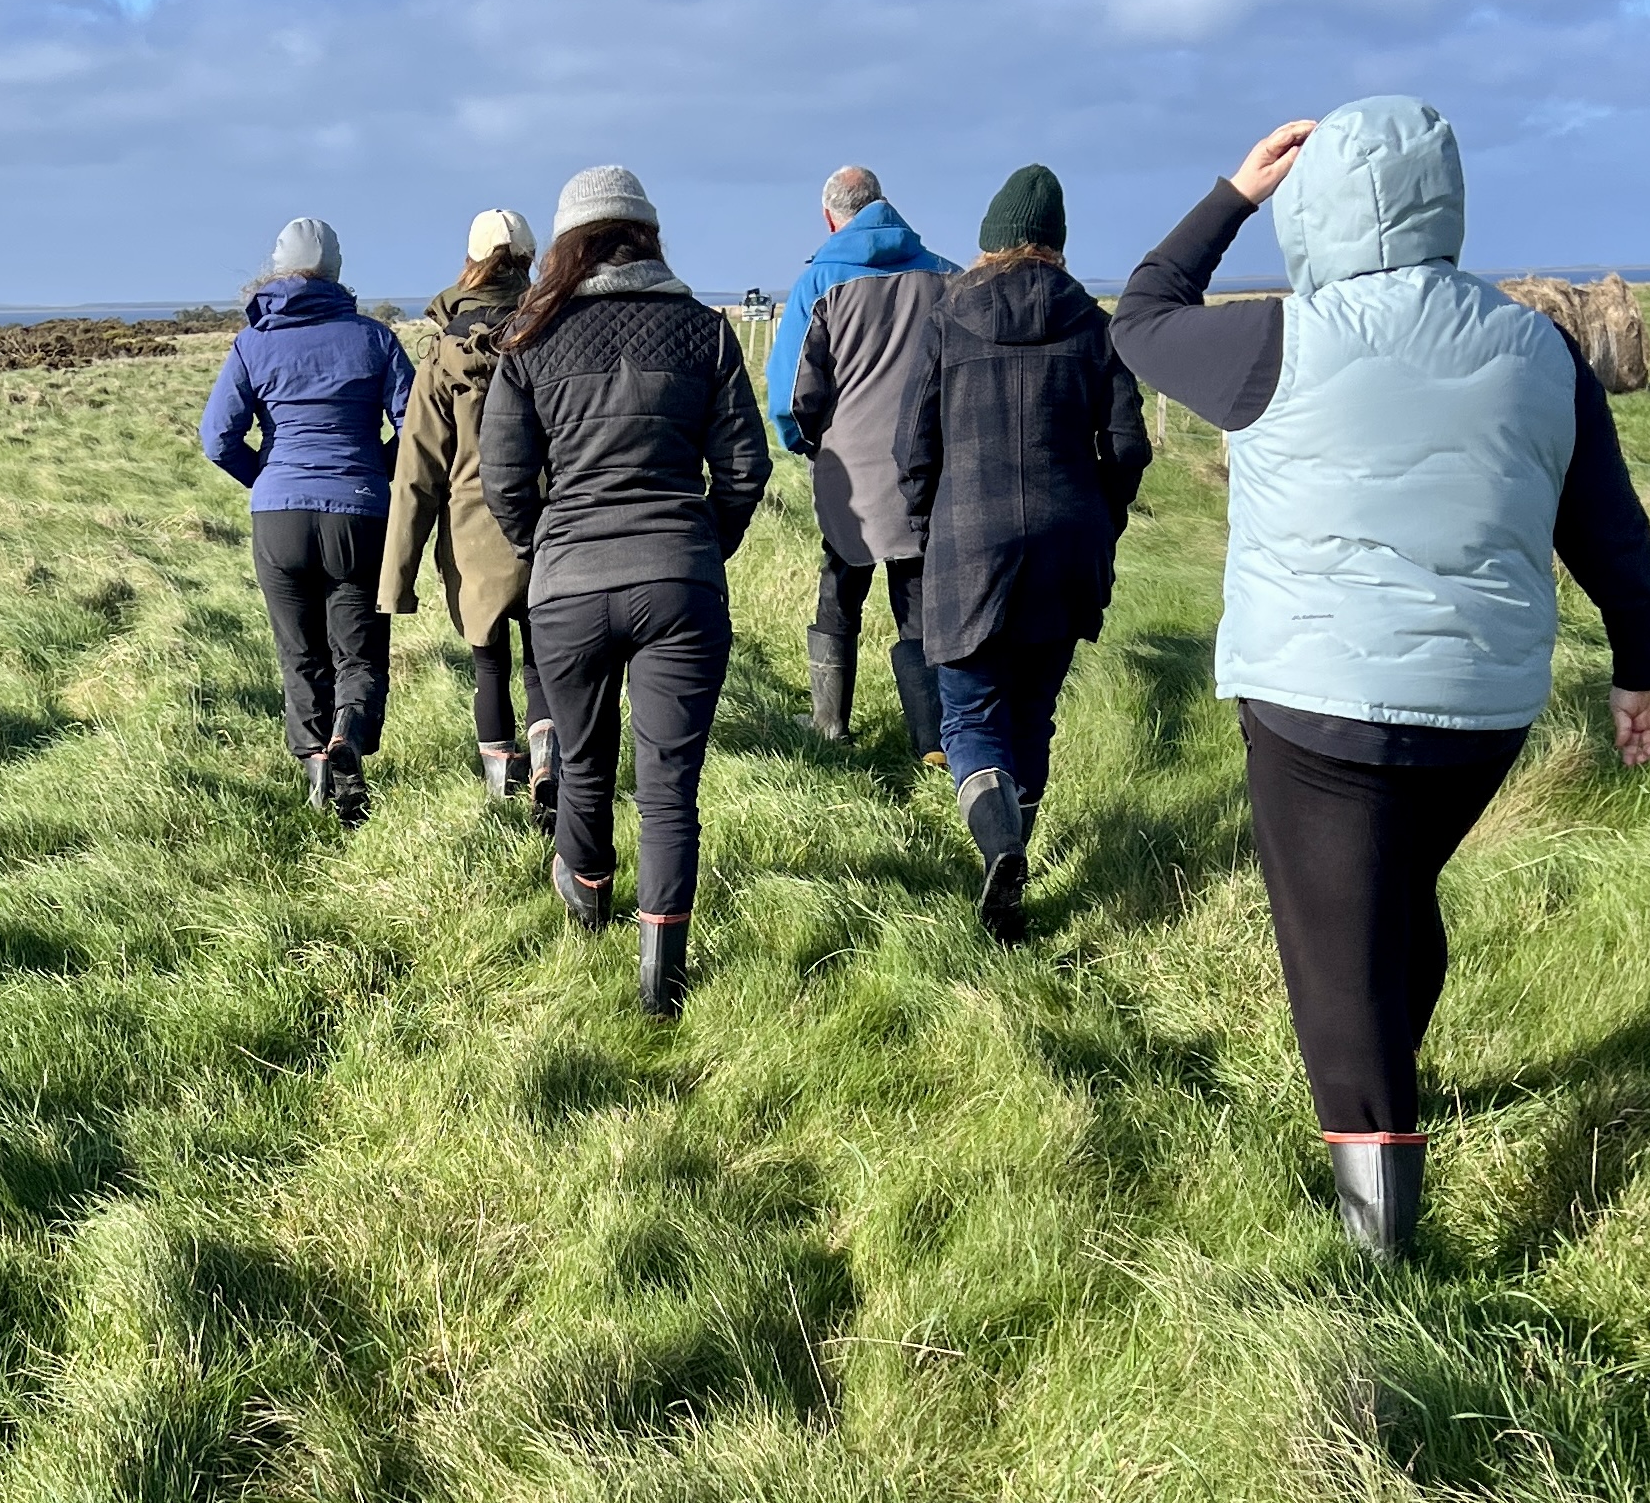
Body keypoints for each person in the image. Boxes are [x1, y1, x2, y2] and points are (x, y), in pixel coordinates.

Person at [1112, 96, 1650, 1257]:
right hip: (1485, 711)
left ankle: (1383, 1271)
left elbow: (1141, 314)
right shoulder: (1542, 350)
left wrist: (1234, 192)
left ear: (1313, 209)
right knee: (1388, 903)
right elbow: (1611, 530)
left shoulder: (1274, 339)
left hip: (1313, 706)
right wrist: (1641, 672)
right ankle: (1394, 1091)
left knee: (1337, 975)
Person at [480, 162, 771, 1017]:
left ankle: (589, 903)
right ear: (646, 235)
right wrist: (701, 546)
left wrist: (547, 548)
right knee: (670, 782)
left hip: (568, 583)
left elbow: (503, 477)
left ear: (566, 244)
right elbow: (746, 467)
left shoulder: (529, 338)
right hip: (679, 579)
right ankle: (660, 978)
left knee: (581, 759)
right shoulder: (704, 331)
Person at [895, 161, 1151, 945]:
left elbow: (914, 447)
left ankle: (1000, 848)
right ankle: (1013, 858)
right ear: (1058, 244)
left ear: (990, 242)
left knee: (970, 711)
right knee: (1033, 712)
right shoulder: (1094, 323)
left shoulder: (947, 315)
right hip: (1068, 546)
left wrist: (925, 524)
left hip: (968, 541)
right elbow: (1131, 445)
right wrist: (1101, 517)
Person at [198, 217, 412, 825]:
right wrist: (376, 466)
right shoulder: (375, 339)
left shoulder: (253, 342)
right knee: (359, 652)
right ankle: (350, 736)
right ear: (337, 273)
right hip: (359, 511)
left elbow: (217, 439)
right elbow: (419, 425)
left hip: (279, 514)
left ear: (277, 269)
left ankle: (320, 776)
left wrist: (264, 476)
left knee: (300, 653)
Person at [765, 164, 956, 750]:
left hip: (850, 471)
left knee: (840, 594)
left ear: (830, 216)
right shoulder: (946, 277)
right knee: (920, 604)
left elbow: (791, 393)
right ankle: (933, 742)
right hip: (931, 470)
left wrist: (807, 444)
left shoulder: (819, 283)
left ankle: (830, 726)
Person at [379, 207, 558, 817]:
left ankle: (499, 792)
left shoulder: (443, 355)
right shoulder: (552, 330)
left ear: (471, 263)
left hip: (472, 532)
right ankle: (548, 771)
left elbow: (417, 474)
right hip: (545, 522)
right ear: (530, 259)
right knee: (542, 665)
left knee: (488, 665)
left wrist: (396, 582)